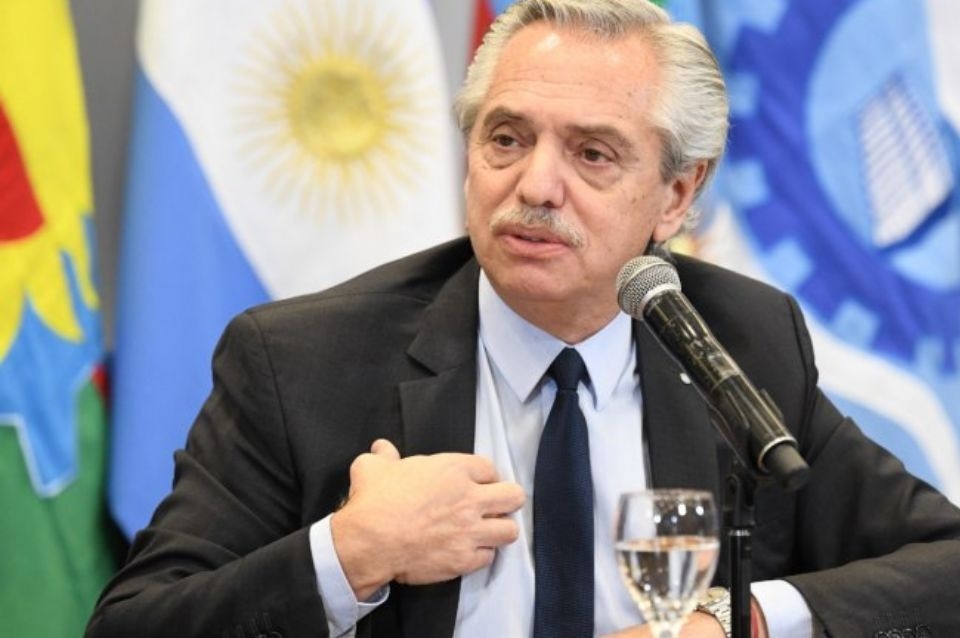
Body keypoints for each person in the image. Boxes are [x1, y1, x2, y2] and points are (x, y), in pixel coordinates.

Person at [86, 1, 960, 637]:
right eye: (506, 139)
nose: (536, 185)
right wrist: (350, 553)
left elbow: (944, 569)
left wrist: (742, 621)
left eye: (592, 153)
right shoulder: (302, 362)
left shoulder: (741, 341)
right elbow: (133, 624)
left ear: (677, 194)